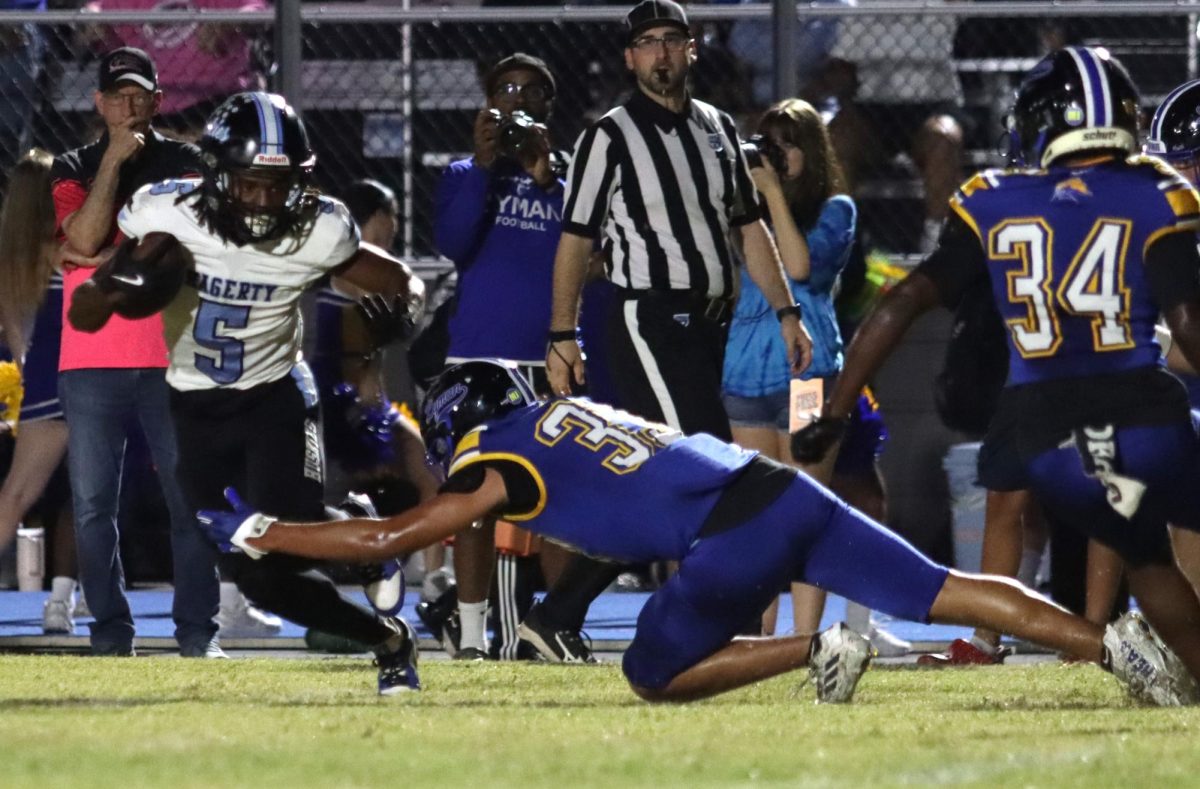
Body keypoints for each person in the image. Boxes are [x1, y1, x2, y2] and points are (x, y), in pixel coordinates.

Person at [196, 359, 1195, 706]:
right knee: (944, 586)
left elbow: (390, 542)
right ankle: (1114, 651)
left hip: (731, 532)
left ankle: (819, 645)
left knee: (651, 676)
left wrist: (267, 531)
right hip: (775, 486)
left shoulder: (496, 457)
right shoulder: (563, 415)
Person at [794, 46, 1200, 687]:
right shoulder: (1157, 191)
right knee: (1169, 534)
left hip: (1046, 423)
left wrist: (838, 409)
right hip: (1140, 404)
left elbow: (902, 301)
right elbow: (1188, 327)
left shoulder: (992, 197)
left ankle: (1150, 663)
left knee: (1144, 548)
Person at [69, 91, 425, 695]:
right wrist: (110, 293)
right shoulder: (169, 214)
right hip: (195, 409)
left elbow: (399, 280)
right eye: (249, 183)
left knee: (288, 528)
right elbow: (82, 316)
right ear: (215, 174)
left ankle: (358, 551)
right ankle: (387, 636)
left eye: (276, 184)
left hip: (275, 397)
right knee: (260, 578)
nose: (263, 200)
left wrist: (405, 312)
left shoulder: (318, 228)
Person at [536, 0, 812, 662]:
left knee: (660, 482)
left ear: (691, 49)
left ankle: (557, 613)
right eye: (648, 42)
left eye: (672, 40)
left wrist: (786, 312)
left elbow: (750, 230)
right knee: (709, 463)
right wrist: (560, 332)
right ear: (630, 57)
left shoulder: (719, 128)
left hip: (710, 322)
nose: (661, 53)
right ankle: (699, 624)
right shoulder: (609, 135)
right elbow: (576, 239)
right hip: (648, 316)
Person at [51, 46, 221, 657]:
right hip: (91, 357)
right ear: (99, 103)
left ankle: (199, 635)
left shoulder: (188, 161)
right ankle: (109, 634)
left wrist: (102, 253)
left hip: (172, 354)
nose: (127, 104)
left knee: (188, 502)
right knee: (94, 507)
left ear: (157, 100)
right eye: (116, 94)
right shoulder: (72, 165)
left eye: (138, 94)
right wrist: (115, 167)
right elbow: (88, 234)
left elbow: (187, 241)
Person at [430, 52, 575, 661]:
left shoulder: (569, 176)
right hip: (479, 358)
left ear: (548, 108)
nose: (518, 98)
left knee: (563, 500)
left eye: (532, 91)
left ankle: (558, 627)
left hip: (550, 359)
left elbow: (587, 249)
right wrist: (486, 166)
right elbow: (454, 245)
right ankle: (468, 636)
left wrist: (546, 177)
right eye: (506, 88)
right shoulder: (465, 171)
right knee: (474, 498)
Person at [0, 149, 88, 634]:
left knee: (17, 495)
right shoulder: (63, 248)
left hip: (39, 386)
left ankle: (68, 600)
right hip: (77, 376)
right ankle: (61, 600)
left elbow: (16, 343)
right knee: (82, 496)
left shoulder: (11, 258)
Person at [87, 0, 269, 140]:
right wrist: (90, 18)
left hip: (212, 100)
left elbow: (256, 11)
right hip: (146, 102)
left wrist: (227, 23)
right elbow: (96, 10)